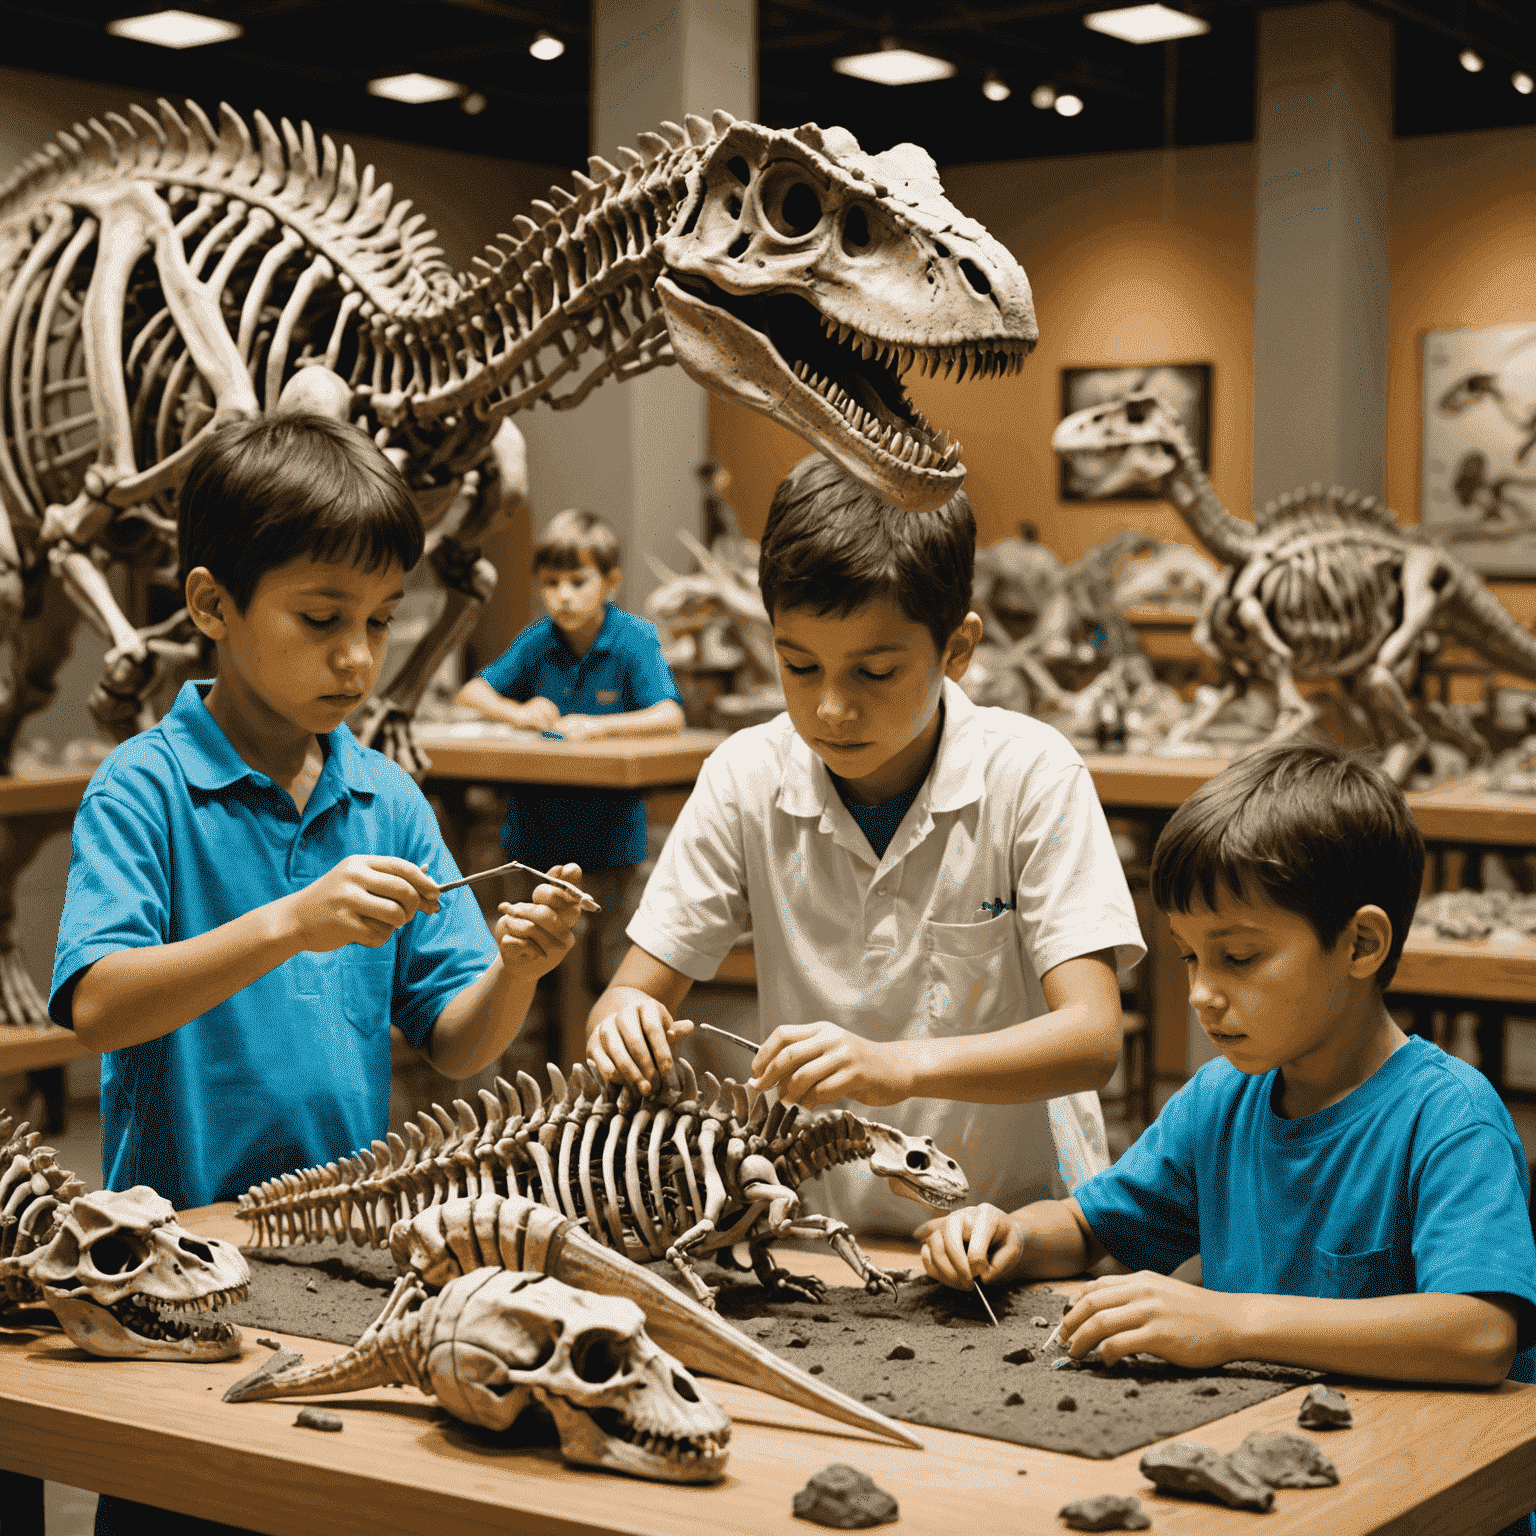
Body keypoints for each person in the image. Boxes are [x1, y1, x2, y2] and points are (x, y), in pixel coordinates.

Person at [919, 742, 1536, 1536]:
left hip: (1426, 1496)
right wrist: (1001, 1234)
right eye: (1189, 957)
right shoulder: (1221, 1097)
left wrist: (1229, 1322)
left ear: (1360, 945)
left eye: (1239, 957)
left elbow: (1480, 1333)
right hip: (1275, 1486)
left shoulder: (1449, 1117)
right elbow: (1087, 1229)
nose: (1203, 995)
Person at [586, 452, 1145, 1235]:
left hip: (1015, 1228)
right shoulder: (746, 777)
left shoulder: (1032, 776)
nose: (831, 709)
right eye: (798, 666)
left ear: (957, 649)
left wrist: (897, 1062)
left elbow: (1090, 1039)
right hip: (819, 1237)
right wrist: (623, 1026)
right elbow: (627, 996)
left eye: (875, 671)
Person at [49, 413, 583, 1217]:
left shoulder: (387, 797)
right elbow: (98, 1007)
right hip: (175, 1240)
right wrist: (291, 923)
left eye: (380, 620)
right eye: (321, 619)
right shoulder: (142, 788)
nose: (359, 659)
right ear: (211, 604)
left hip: (341, 1227)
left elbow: (458, 1041)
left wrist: (517, 971)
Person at [454, 507, 684, 988]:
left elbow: (670, 715)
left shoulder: (634, 639)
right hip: (532, 847)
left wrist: (599, 728)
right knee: (525, 980)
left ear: (611, 581)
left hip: (611, 847)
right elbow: (472, 692)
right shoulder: (539, 639)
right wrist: (519, 712)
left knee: (613, 979)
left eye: (578, 581)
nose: (562, 596)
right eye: (550, 582)